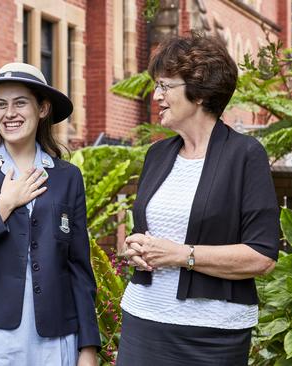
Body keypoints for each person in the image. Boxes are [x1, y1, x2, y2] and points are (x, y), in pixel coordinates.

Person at [116, 33, 280, 365]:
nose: (157, 96)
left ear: (200, 92)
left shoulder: (245, 155)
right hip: (143, 321)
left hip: (211, 336)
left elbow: (262, 256)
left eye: (165, 86)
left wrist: (180, 255)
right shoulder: (157, 154)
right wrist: (137, 249)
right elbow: (152, 235)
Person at [0, 62, 100, 366]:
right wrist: (4, 204)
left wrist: (88, 347)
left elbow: (79, 267)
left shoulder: (67, 177)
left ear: (42, 109)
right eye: (1, 105)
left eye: (20, 103)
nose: (9, 113)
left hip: (54, 339)